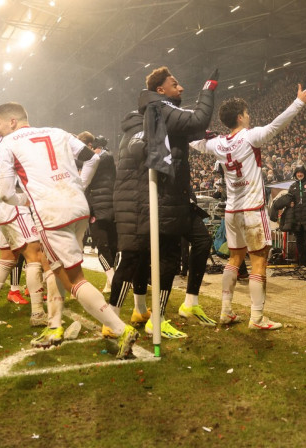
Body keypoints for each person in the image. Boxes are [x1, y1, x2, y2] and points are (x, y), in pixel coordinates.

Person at [0, 102, 138, 359]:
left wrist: (26, 200)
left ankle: (120, 329)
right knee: (53, 265)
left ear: (12, 121)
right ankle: (54, 326)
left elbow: (5, 194)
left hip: (51, 213)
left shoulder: (7, 144)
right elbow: (89, 156)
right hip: (78, 205)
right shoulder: (57, 131)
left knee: (73, 279)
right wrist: (73, 181)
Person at [190, 83, 306, 329]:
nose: (250, 117)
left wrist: (186, 131)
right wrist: (299, 102)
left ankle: (226, 311)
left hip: (231, 211)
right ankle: (257, 318)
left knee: (234, 260)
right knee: (259, 262)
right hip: (252, 209)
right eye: (247, 114)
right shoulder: (249, 136)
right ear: (240, 116)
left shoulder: (217, 144)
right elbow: (276, 125)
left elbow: (195, 143)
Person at [110, 66, 218, 339]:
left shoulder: (158, 114)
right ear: (160, 90)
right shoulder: (157, 112)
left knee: (200, 241)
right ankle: (138, 317)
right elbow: (197, 120)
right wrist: (208, 89)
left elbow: (190, 132)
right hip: (157, 200)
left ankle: (186, 303)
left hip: (175, 197)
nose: (181, 88)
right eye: (175, 84)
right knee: (149, 257)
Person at [0, 135, 56, 327]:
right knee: (35, 256)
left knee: (7, 260)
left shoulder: (4, 141)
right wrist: (19, 184)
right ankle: (38, 314)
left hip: (7, 207)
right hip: (16, 207)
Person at [77, 132, 117, 293]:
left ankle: (113, 280)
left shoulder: (97, 159)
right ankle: (111, 282)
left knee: (103, 246)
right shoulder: (106, 158)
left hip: (98, 208)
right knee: (112, 244)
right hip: (110, 206)